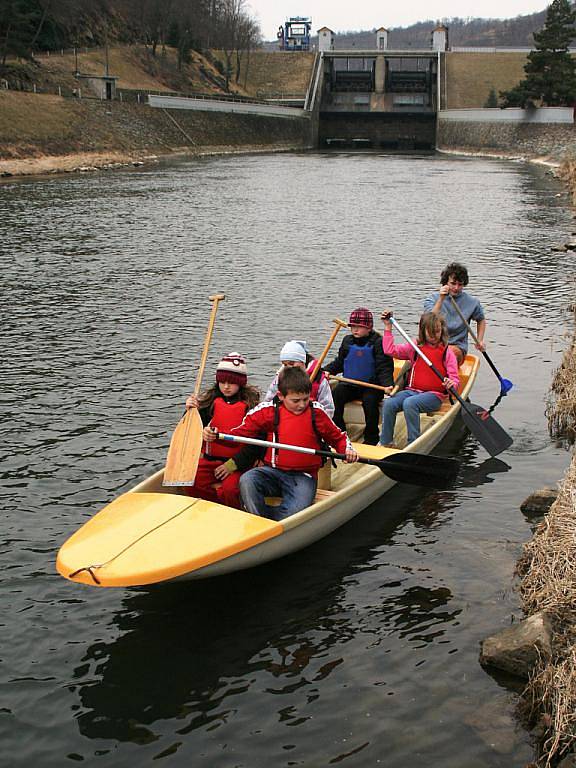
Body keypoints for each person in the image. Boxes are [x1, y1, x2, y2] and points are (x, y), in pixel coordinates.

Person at [206, 366, 358, 521]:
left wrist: (347, 450)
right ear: (281, 396)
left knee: (293, 514)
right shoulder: (268, 411)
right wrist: (216, 435)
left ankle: (268, 523)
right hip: (271, 473)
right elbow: (239, 434)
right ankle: (259, 521)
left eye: (306, 399)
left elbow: (338, 437)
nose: (301, 405)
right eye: (295, 400)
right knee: (247, 479)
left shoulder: (316, 412)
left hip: (303, 477)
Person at [184, 353, 260, 508]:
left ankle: (233, 511)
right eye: (222, 382)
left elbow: (255, 445)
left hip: (239, 464)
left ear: (240, 383)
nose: (226, 386)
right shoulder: (209, 403)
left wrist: (232, 465)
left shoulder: (251, 408)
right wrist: (190, 411)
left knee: (230, 490)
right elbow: (190, 430)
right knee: (190, 479)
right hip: (211, 461)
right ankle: (212, 507)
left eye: (231, 383)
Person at [379, 311, 459, 446]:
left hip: (435, 396)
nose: (434, 336)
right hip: (412, 391)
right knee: (389, 404)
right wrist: (388, 327)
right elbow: (389, 351)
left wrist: (451, 384)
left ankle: (413, 443)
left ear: (442, 330)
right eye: (430, 332)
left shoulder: (446, 352)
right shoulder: (415, 347)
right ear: (423, 331)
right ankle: (386, 442)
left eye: (437, 332)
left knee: (410, 403)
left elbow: (455, 380)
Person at [324, 307, 394, 445]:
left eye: (359, 327)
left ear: (369, 328)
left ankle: (371, 437)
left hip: (372, 386)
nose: (355, 330)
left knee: (370, 402)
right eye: (353, 326)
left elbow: (384, 366)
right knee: (336, 395)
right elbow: (340, 362)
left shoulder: (378, 342)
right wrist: (327, 370)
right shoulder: (347, 341)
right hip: (349, 384)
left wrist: (387, 384)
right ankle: (340, 431)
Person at [423, 262, 486, 365]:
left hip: (457, 347)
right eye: (453, 283)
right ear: (446, 282)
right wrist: (441, 299)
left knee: (449, 353)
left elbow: (481, 320)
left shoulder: (472, 302)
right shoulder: (432, 299)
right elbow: (429, 321)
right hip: (432, 344)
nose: (456, 288)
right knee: (413, 351)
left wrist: (480, 340)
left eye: (460, 284)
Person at [264, 339, 335, 417]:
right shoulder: (280, 378)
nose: (288, 368)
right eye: (285, 364)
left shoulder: (319, 379)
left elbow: (328, 408)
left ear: (303, 362)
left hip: (310, 421)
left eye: (292, 363)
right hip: (284, 419)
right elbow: (268, 401)